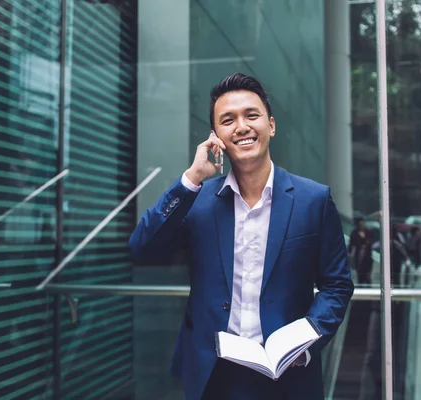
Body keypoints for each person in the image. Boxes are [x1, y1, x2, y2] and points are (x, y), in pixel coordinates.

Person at [129, 73, 353, 400]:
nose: (242, 127)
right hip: (213, 373)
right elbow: (142, 249)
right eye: (228, 120)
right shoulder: (197, 200)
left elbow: (337, 283)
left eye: (252, 115)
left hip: (289, 375)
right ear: (216, 136)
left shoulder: (313, 200)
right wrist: (191, 179)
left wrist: (306, 344)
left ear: (271, 125)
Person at [349, 217, 375, 284]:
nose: (362, 225)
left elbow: (370, 243)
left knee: (368, 275)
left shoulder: (368, 232)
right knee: (360, 275)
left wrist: (364, 239)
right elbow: (351, 244)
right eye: (361, 224)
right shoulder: (354, 233)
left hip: (367, 256)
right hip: (359, 257)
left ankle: (369, 288)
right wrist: (349, 253)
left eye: (363, 223)